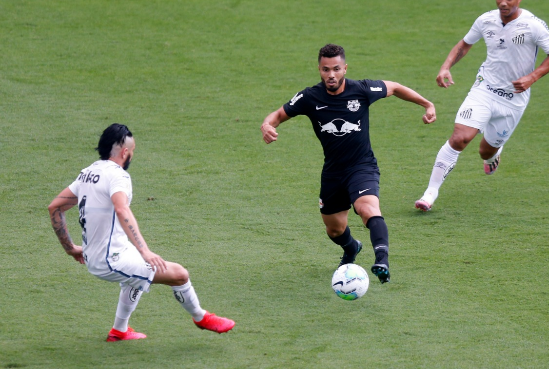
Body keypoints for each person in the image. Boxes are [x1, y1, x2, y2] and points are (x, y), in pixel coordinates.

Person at [261, 44, 436, 283]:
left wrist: (427, 104)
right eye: (325, 69)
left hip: (362, 166)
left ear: (345, 68)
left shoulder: (362, 89)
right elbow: (279, 114)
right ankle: (352, 247)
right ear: (319, 69)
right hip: (333, 172)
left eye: (335, 69)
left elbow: (394, 88)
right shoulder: (310, 96)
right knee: (334, 229)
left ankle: (382, 260)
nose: (330, 75)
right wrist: (268, 125)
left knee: (368, 209)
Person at [48, 124, 235, 341]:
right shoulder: (118, 176)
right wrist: (145, 250)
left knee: (135, 278)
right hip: (111, 260)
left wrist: (70, 248)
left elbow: (55, 208)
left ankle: (119, 331)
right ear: (125, 152)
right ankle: (201, 317)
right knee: (179, 275)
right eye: (133, 151)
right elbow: (121, 209)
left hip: (99, 255)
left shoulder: (88, 173)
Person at [415, 0, 549, 212]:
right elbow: (464, 44)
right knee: (459, 138)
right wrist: (446, 66)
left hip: (513, 99)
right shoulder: (486, 20)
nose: (503, 2)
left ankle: (494, 155)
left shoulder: (533, 25)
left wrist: (532, 77)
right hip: (484, 90)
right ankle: (430, 193)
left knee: (486, 150)